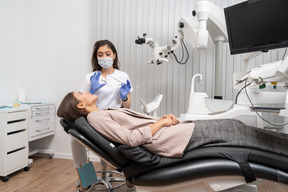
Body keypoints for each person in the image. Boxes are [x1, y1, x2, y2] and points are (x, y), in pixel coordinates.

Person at [58, 91, 288, 158]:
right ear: (79, 105)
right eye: (81, 93)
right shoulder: (96, 117)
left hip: (175, 133)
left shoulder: (102, 112)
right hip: (173, 139)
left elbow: (133, 129)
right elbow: (129, 140)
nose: (86, 91)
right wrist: (162, 124)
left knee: (239, 129)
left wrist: (162, 121)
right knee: (239, 130)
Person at [72, 40, 133, 192]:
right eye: (100, 55)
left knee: (131, 139)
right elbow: (82, 103)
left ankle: (131, 179)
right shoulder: (90, 77)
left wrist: (124, 97)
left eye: (107, 54)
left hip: (116, 116)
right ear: (96, 57)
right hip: (95, 118)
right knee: (75, 139)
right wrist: (92, 90)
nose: (104, 57)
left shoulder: (123, 76)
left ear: (114, 56)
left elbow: (128, 106)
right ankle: (85, 179)